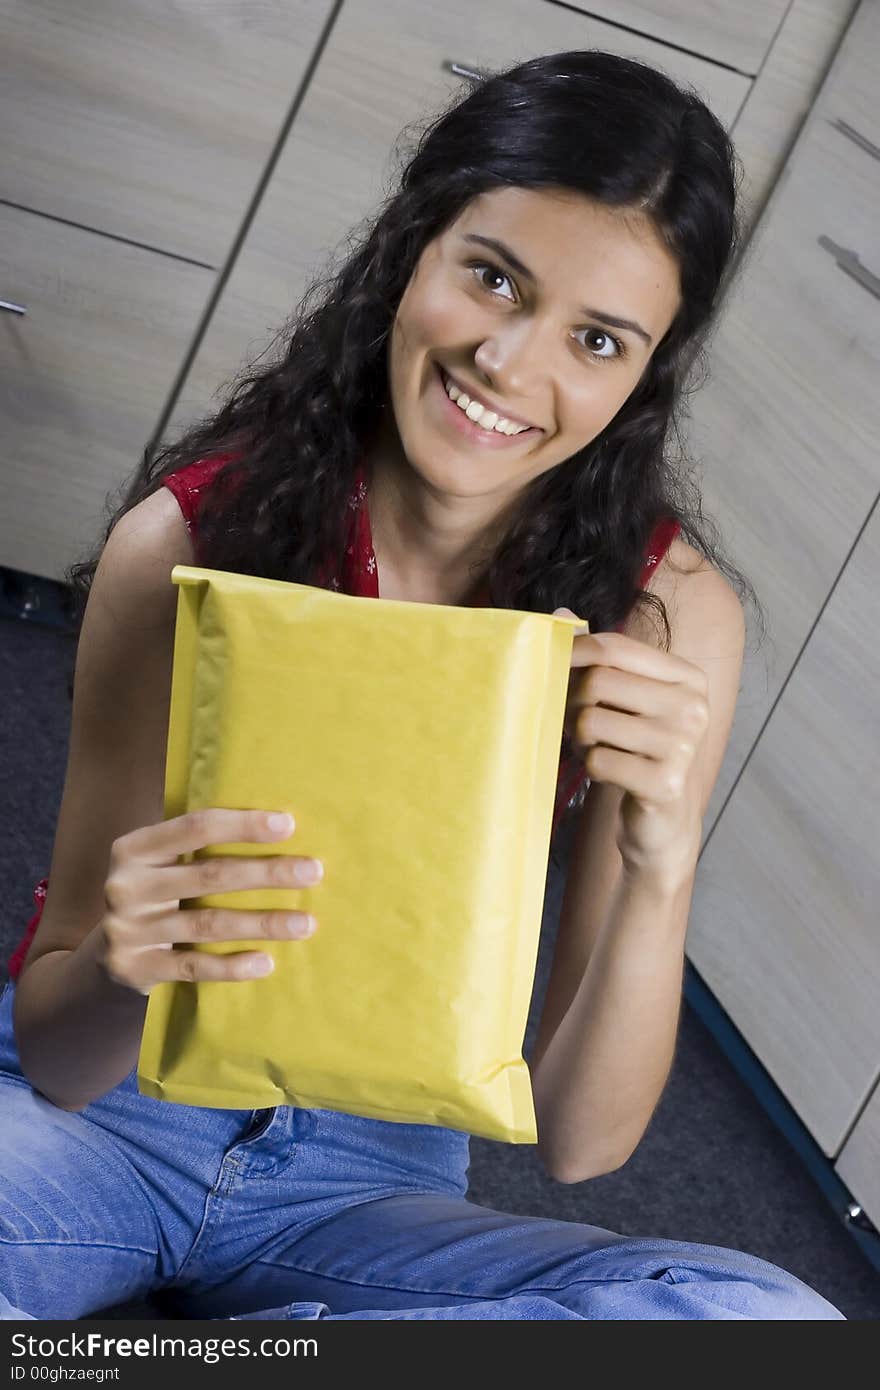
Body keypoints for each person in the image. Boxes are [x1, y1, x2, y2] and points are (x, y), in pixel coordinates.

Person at [0, 50, 844, 1320]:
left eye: (597, 338)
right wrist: (123, 963)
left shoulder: (670, 617)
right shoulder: (183, 546)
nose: (510, 363)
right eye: (493, 275)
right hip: (111, 1126)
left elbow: (577, 1144)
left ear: (643, 378)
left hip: (367, 1183)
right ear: (411, 249)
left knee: (767, 1321)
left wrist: (664, 859)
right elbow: (61, 1066)